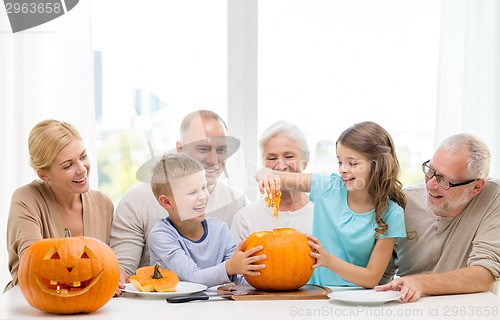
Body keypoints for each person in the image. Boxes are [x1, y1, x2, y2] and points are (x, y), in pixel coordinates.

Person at [109, 110, 250, 292]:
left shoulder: (236, 203)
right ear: (180, 148)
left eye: (221, 149)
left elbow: (242, 270)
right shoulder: (136, 202)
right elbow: (122, 273)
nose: (214, 159)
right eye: (203, 148)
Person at [256, 121, 406, 289]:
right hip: (316, 294)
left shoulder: (391, 213)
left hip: (359, 299)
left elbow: (371, 278)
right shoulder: (327, 187)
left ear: (377, 165)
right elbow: (270, 174)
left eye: (352, 163)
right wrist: (265, 175)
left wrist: (328, 260)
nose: (342, 169)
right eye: (340, 161)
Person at [375, 133, 500, 302]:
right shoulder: (402, 204)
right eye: (430, 171)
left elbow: (484, 274)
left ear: (476, 187)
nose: (430, 184)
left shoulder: (493, 198)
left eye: (445, 180)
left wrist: (419, 283)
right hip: (408, 310)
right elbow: (378, 276)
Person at [5, 119, 114, 291]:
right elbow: (33, 267)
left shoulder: (103, 204)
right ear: (44, 176)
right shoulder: (26, 199)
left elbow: (110, 268)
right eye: (68, 165)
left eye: (83, 156)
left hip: (89, 310)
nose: (82, 169)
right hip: (31, 310)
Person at [147, 153, 265, 287]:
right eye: (192, 192)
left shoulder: (220, 229)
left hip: (216, 306)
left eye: (204, 188)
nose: (203, 196)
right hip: (174, 307)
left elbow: (239, 278)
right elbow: (192, 277)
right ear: (167, 202)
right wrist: (229, 267)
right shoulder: (161, 236)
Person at [231, 121, 314, 241]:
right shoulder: (245, 219)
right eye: (272, 158)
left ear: (305, 161)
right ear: (263, 164)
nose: (280, 166)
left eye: (289, 156)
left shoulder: (324, 216)